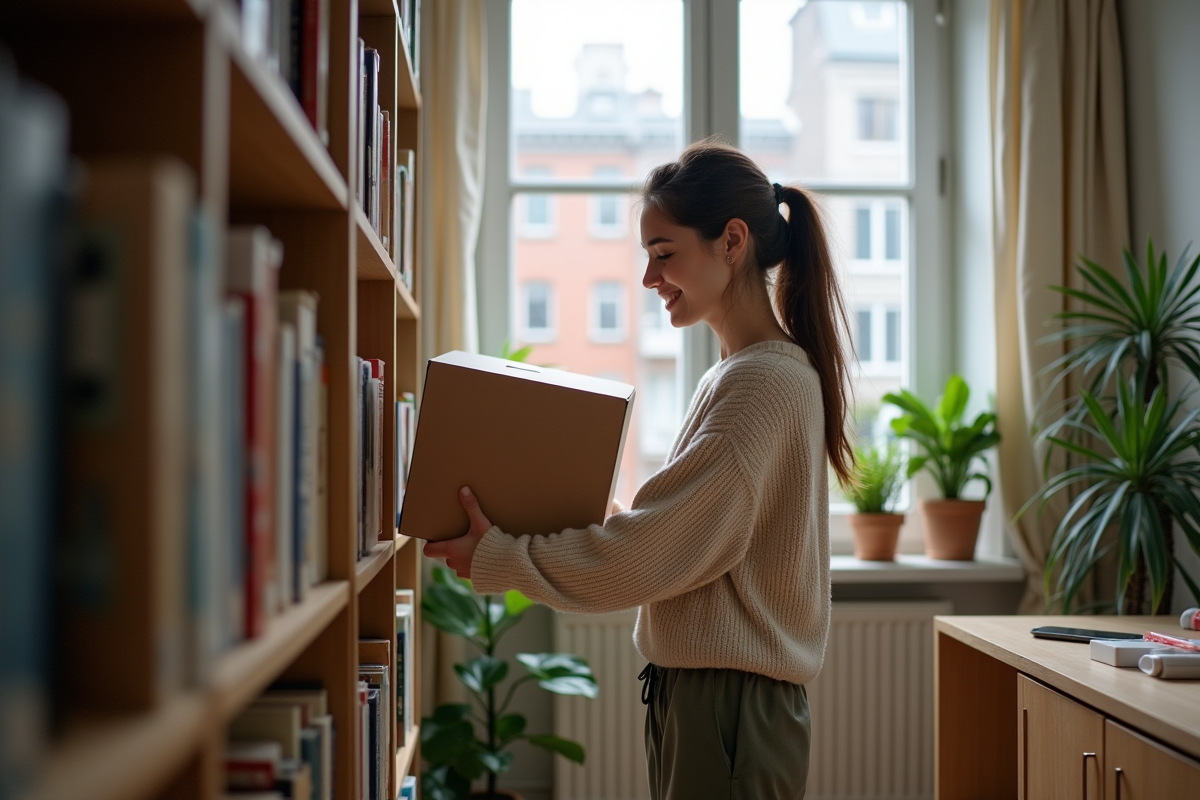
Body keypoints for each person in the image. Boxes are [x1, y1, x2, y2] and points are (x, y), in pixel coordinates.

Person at [424, 139, 855, 800]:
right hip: (714, 701)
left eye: (664, 254)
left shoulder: (760, 385)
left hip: (728, 708)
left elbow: (651, 555)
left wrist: (501, 558)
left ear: (731, 242)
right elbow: (688, 541)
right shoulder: (744, 375)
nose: (651, 279)